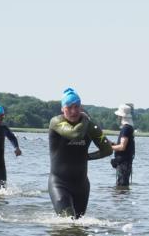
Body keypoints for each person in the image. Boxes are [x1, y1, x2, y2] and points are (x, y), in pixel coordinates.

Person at [47, 87, 112, 218]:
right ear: (62, 109)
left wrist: (87, 157)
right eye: (69, 107)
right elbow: (75, 134)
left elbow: (107, 150)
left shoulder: (90, 127)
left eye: (77, 107)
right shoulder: (56, 122)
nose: (73, 111)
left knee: (79, 224)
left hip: (81, 185)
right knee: (69, 223)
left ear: (81, 107)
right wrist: (86, 120)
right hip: (59, 183)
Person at [110, 103, 136, 187]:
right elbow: (124, 145)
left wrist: (109, 147)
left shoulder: (126, 128)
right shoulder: (128, 128)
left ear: (122, 117)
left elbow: (122, 147)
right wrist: (113, 144)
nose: (117, 118)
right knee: (123, 188)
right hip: (125, 163)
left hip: (123, 164)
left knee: (121, 187)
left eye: (118, 116)